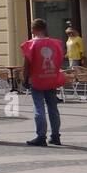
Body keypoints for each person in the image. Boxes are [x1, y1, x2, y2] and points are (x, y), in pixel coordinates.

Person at [22, 18, 66, 147]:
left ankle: (41, 136)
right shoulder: (56, 43)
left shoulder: (30, 44)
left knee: (39, 108)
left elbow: (26, 64)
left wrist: (25, 78)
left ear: (33, 29)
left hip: (36, 80)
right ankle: (56, 136)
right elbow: (59, 60)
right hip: (51, 78)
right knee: (53, 108)